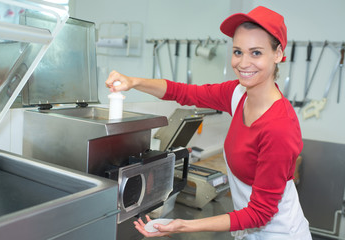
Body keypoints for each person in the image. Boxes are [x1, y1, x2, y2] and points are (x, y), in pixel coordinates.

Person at [106, 6, 312, 240]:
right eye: (237, 52)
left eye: (256, 53)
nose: (244, 63)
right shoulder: (238, 94)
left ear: (277, 54)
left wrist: (182, 226)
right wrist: (133, 81)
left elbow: (260, 213)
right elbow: (184, 92)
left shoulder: (279, 127)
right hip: (248, 234)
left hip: (280, 235)